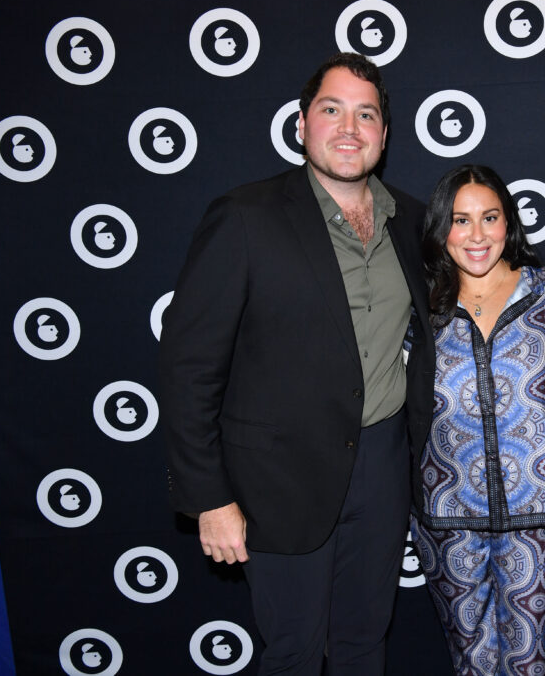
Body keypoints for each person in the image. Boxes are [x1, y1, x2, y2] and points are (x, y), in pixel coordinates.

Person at [158, 52, 434, 676]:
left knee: (366, 643)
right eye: (331, 110)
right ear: (303, 123)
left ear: (384, 136)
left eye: (366, 115)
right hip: (276, 482)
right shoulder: (246, 217)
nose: (348, 128)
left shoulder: (413, 222)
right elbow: (188, 367)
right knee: (293, 654)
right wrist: (210, 498)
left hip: (384, 467)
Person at [410, 164, 545, 675]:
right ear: (441, 230)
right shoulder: (421, 308)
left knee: (537, 664)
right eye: (460, 220)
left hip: (542, 519)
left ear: (510, 224)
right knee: (472, 663)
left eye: (490, 217)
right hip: (447, 519)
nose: (477, 235)